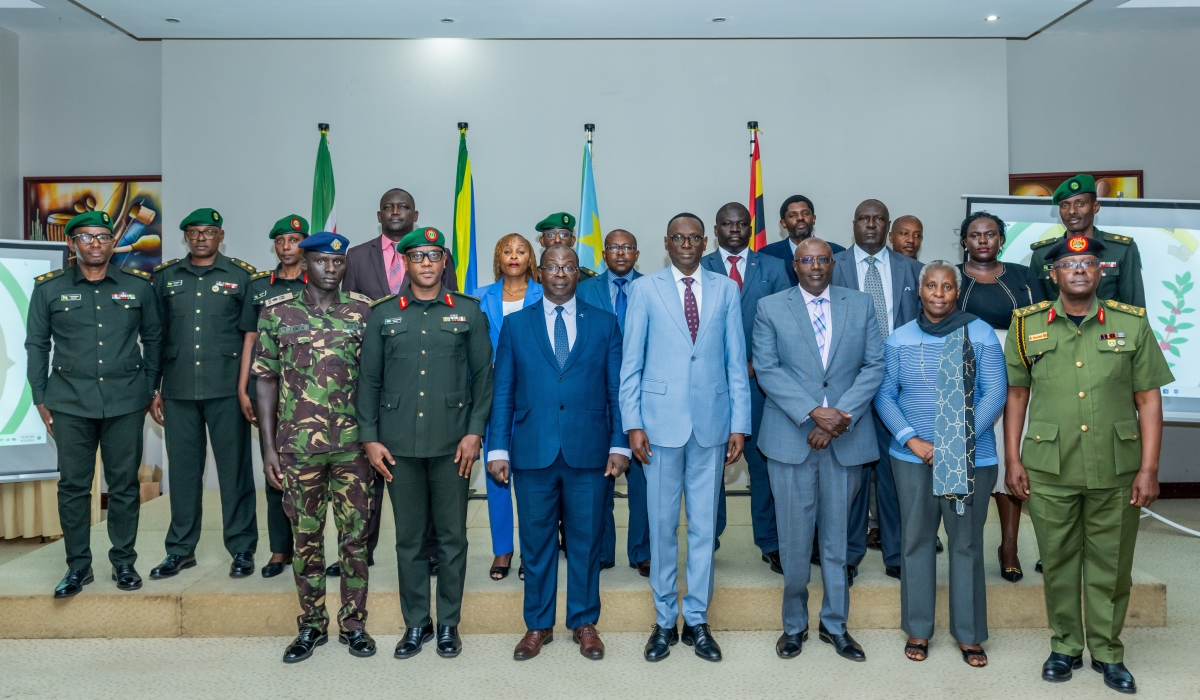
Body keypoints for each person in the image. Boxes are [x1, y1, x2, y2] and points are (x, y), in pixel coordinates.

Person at [1005, 235, 1171, 694]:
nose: (1079, 269)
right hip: (1049, 466)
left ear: (1102, 273)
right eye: (1069, 264)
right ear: (1052, 274)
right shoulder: (1026, 325)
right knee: (1057, 561)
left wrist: (1150, 468)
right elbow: (1017, 395)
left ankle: (1108, 650)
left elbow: (1148, 398)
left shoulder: (1131, 324)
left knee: (1111, 563)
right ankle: (1064, 645)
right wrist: (1013, 459)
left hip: (1116, 466)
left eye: (1088, 263)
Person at [620, 213, 751, 663]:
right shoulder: (645, 290)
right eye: (679, 238)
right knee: (660, 526)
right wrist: (633, 423)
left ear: (705, 241)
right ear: (667, 243)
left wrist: (740, 423)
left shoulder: (726, 289)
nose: (688, 245)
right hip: (658, 426)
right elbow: (630, 363)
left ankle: (696, 619)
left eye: (695, 238)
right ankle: (662, 620)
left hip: (712, 425)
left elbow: (737, 362)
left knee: (702, 527)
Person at [357, 226, 493, 661]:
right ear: (407, 263)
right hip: (397, 446)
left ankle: (449, 622)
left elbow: (484, 379)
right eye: (419, 257)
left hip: (454, 443)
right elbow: (369, 382)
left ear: (444, 262)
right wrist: (370, 439)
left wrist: (474, 432)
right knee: (410, 540)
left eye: (435, 256)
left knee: (453, 537)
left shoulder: (468, 312)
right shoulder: (384, 314)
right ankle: (417, 622)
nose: (428, 264)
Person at [487, 244, 629, 661]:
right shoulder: (516, 326)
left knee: (586, 542)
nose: (561, 273)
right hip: (532, 451)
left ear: (577, 273)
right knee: (536, 543)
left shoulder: (604, 323)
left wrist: (619, 442)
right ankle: (538, 625)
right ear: (540, 271)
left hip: (590, 451)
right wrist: (498, 447)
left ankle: (584, 622)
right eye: (553, 266)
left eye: (569, 267)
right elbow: (503, 393)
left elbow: (617, 390)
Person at [753, 238, 884, 662]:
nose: (814, 266)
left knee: (836, 540)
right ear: (794, 265)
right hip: (791, 438)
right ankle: (794, 626)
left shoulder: (860, 305)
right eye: (806, 260)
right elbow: (768, 370)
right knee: (793, 541)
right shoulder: (771, 307)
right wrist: (813, 413)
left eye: (822, 259)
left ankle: (835, 625)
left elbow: (874, 365)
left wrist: (837, 417)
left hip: (845, 437)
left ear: (833, 263)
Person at [874, 261, 1006, 667]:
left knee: (965, 542)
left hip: (971, 457)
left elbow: (995, 392)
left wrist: (955, 442)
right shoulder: (898, 339)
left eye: (947, 287)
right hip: (912, 458)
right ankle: (918, 628)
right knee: (915, 541)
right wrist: (912, 441)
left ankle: (968, 634)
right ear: (920, 290)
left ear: (956, 291)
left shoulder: (981, 333)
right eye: (931, 285)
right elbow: (885, 395)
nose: (939, 293)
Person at [253, 231, 377, 663]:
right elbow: (264, 380)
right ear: (305, 262)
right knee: (305, 541)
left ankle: (354, 624)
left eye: (338, 262)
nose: (331, 269)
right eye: (322, 261)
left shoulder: (363, 312)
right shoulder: (277, 313)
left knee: (355, 540)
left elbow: (376, 379)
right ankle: (311, 626)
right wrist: (268, 447)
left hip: (353, 449)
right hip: (297, 448)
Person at [26, 211, 162, 598]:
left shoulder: (138, 287)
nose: (96, 243)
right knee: (73, 487)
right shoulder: (49, 288)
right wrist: (40, 396)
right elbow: (36, 345)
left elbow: (154, 339)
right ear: (73, 244)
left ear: (111, 242)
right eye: (86, 237)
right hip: (69, 401)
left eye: (103, 236)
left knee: (122, 485)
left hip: (124, 400)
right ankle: (78, 567)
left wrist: (150, 387)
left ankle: (123, 562)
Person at [341, 188, 452, 576]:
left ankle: (433, 550)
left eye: (402, 206)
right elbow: (348, 312)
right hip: (370, 371)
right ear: (378, 214)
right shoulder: (356, 257)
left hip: (420, 371)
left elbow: (447, 303)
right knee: (369, 472)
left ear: (415, 214)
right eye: (388, 207)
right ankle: (362, 550)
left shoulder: (436, 257)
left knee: (427, 464)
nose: (395, 212)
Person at [147, 208, 259, 580]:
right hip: (178, 390)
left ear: (220, 236)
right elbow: (156, 337)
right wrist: (155, 388)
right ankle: (180, 551)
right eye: (193, 232)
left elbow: (251, 339)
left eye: (208, 232)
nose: (200, 238)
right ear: (185, 237)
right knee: (182, 474)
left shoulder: (241, 277)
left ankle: (242, 549)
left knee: (235, 472)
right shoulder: (165, 278)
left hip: (227, 390)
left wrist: (248, 390)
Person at [831, 199, 922, 581]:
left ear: (887, 225)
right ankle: (848, 555)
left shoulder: (912, 269)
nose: (871, 225)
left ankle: (897, 552)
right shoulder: (831, 267)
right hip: (848, 385)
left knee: (894, 473)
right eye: (864, 219)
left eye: (878, 219)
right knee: (851, 476)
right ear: (853, 224)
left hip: (898, 386)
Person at [699, 202, 790, 572]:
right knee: (709, 467)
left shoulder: (772, 266)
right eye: (726, 224)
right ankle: (709, 538)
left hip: (759, 387)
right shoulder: (699, 267)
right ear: (716, 229)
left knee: (763, 466)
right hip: (710, 387)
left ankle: (771, 542)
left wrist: (758, 364)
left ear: (750, 228)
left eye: (741, 223)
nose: (734, 229)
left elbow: (787, 321)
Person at [956, 211, 1045, 583]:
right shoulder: (951, 278)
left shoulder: (1023, 276)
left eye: (990, 234)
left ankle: (1009, 546)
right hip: (965, 377)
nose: (982, 241)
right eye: (975, 235)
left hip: (1021, 375)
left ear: (1001, 240)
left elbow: (1043, 322)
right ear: (964, 241)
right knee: (979, 457)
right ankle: (966, 547)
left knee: (1015, 459)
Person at [238, 214, 310, 578]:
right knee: (275, 466)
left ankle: (305, 547)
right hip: (269, 387)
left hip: (310, 392)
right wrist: (242, 387)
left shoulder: (320, 281)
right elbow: (250, 339)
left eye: (294, 240)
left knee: (312, 474)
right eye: (280, 241)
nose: (286, 247)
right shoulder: (259, 287)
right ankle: (279, 550)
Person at [577, 229, 650, 576]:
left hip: (644, 393)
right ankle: (602, 550)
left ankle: (643, 551)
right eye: (614, 248)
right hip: (596, 393)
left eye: (627, 248)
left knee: (643, 477)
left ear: (637, 254)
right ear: (603, 254)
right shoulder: (583, 289)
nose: (620, 253)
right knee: (598, 475)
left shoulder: (654, 287)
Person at [475, 233, 543, 580]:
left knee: (532, 482)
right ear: (498, 258)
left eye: (521, 250)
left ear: (531, 256)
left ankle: (531, 552)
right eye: (507, 250)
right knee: (497, 477)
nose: (513, 256)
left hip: (535, 398)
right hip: (494, 397)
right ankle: (502, 550)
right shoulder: (479, 297)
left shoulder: (545, 294)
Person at [1028, 174, 1144, 307]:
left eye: (1080, 204)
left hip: (1109, 327)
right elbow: (1036, 311)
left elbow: (1135, 308)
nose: (1072, 211)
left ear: (1095, 207)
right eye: (1065, 205)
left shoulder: (1121, 250)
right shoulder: (1042, 254)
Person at [759, 195, 846, 286]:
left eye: (805, 213)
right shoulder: (768, 254)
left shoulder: (837, 252)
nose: (800, 218)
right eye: (792, 215)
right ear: (783, 223)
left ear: (813, 218)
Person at [535, 211, 598, 279]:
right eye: (551, 235)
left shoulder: (588, 279)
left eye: (564, 235)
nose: (557, 240)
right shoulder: (530, 278)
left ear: (572, 240)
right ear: (542, 240)